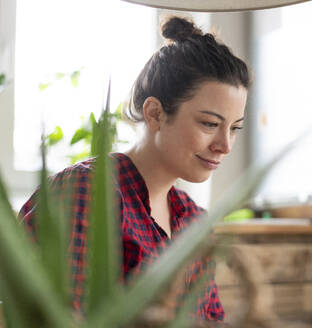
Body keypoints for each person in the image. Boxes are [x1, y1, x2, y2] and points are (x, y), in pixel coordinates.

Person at [18, 15, 250, 322]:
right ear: (154, 113)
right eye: (210, 124)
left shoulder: (194, 221)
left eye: (234, 129)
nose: (226, 145)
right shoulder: (87, 193)